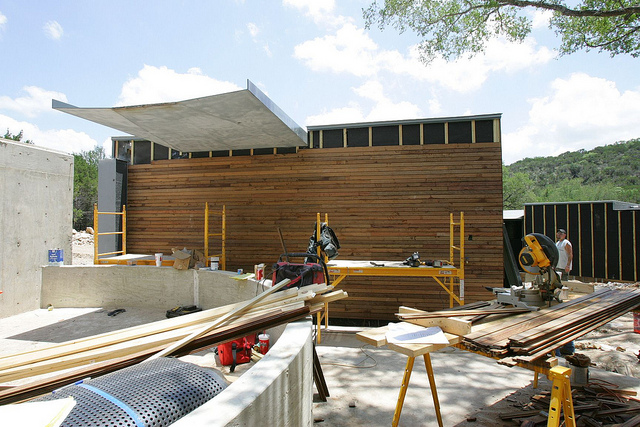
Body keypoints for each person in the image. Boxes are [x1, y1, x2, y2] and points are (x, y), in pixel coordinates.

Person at [555, 228, 574, 356]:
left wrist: (568, 265)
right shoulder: (557, 243)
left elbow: (570, 255)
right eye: (558, 233)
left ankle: (563, 297)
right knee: (557, 283)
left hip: (564, 267)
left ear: (564, 234)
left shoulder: (566, 243)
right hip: (557, 266)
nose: (558, 235)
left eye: (560, 233)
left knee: (564, 285)